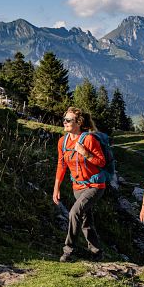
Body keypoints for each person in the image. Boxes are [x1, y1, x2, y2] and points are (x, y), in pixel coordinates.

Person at [53, 107, 106, 262]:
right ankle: (96, 252)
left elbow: (101, 162)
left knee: (74, 213)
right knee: (85, 220)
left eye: (68, 120)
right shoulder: (62, 142)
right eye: (64, 119)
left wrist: (85, 153)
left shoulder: (89, 140)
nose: (65, 122)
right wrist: (56, 187)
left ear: (79, 123)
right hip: (77, 187)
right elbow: (61, 165)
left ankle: (68, 251)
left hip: (95, 187)